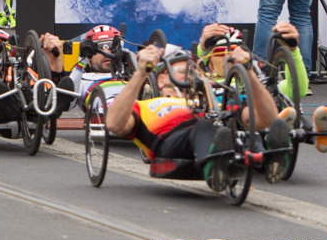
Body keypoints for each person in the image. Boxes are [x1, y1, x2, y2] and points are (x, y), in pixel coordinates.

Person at [104, 27, 295, 190]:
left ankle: (272, 158)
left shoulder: (214, 102)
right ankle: (215, 167)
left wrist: (249, 72)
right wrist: (140, 73)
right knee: (203, 126)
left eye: (195, 71)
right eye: (182, 71)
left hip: (220, 132)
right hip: (172, 141)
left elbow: (265, 120)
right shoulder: (147, 106)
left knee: (249, 129)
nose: (191, 76)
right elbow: (114, 124)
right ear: (161, 80)